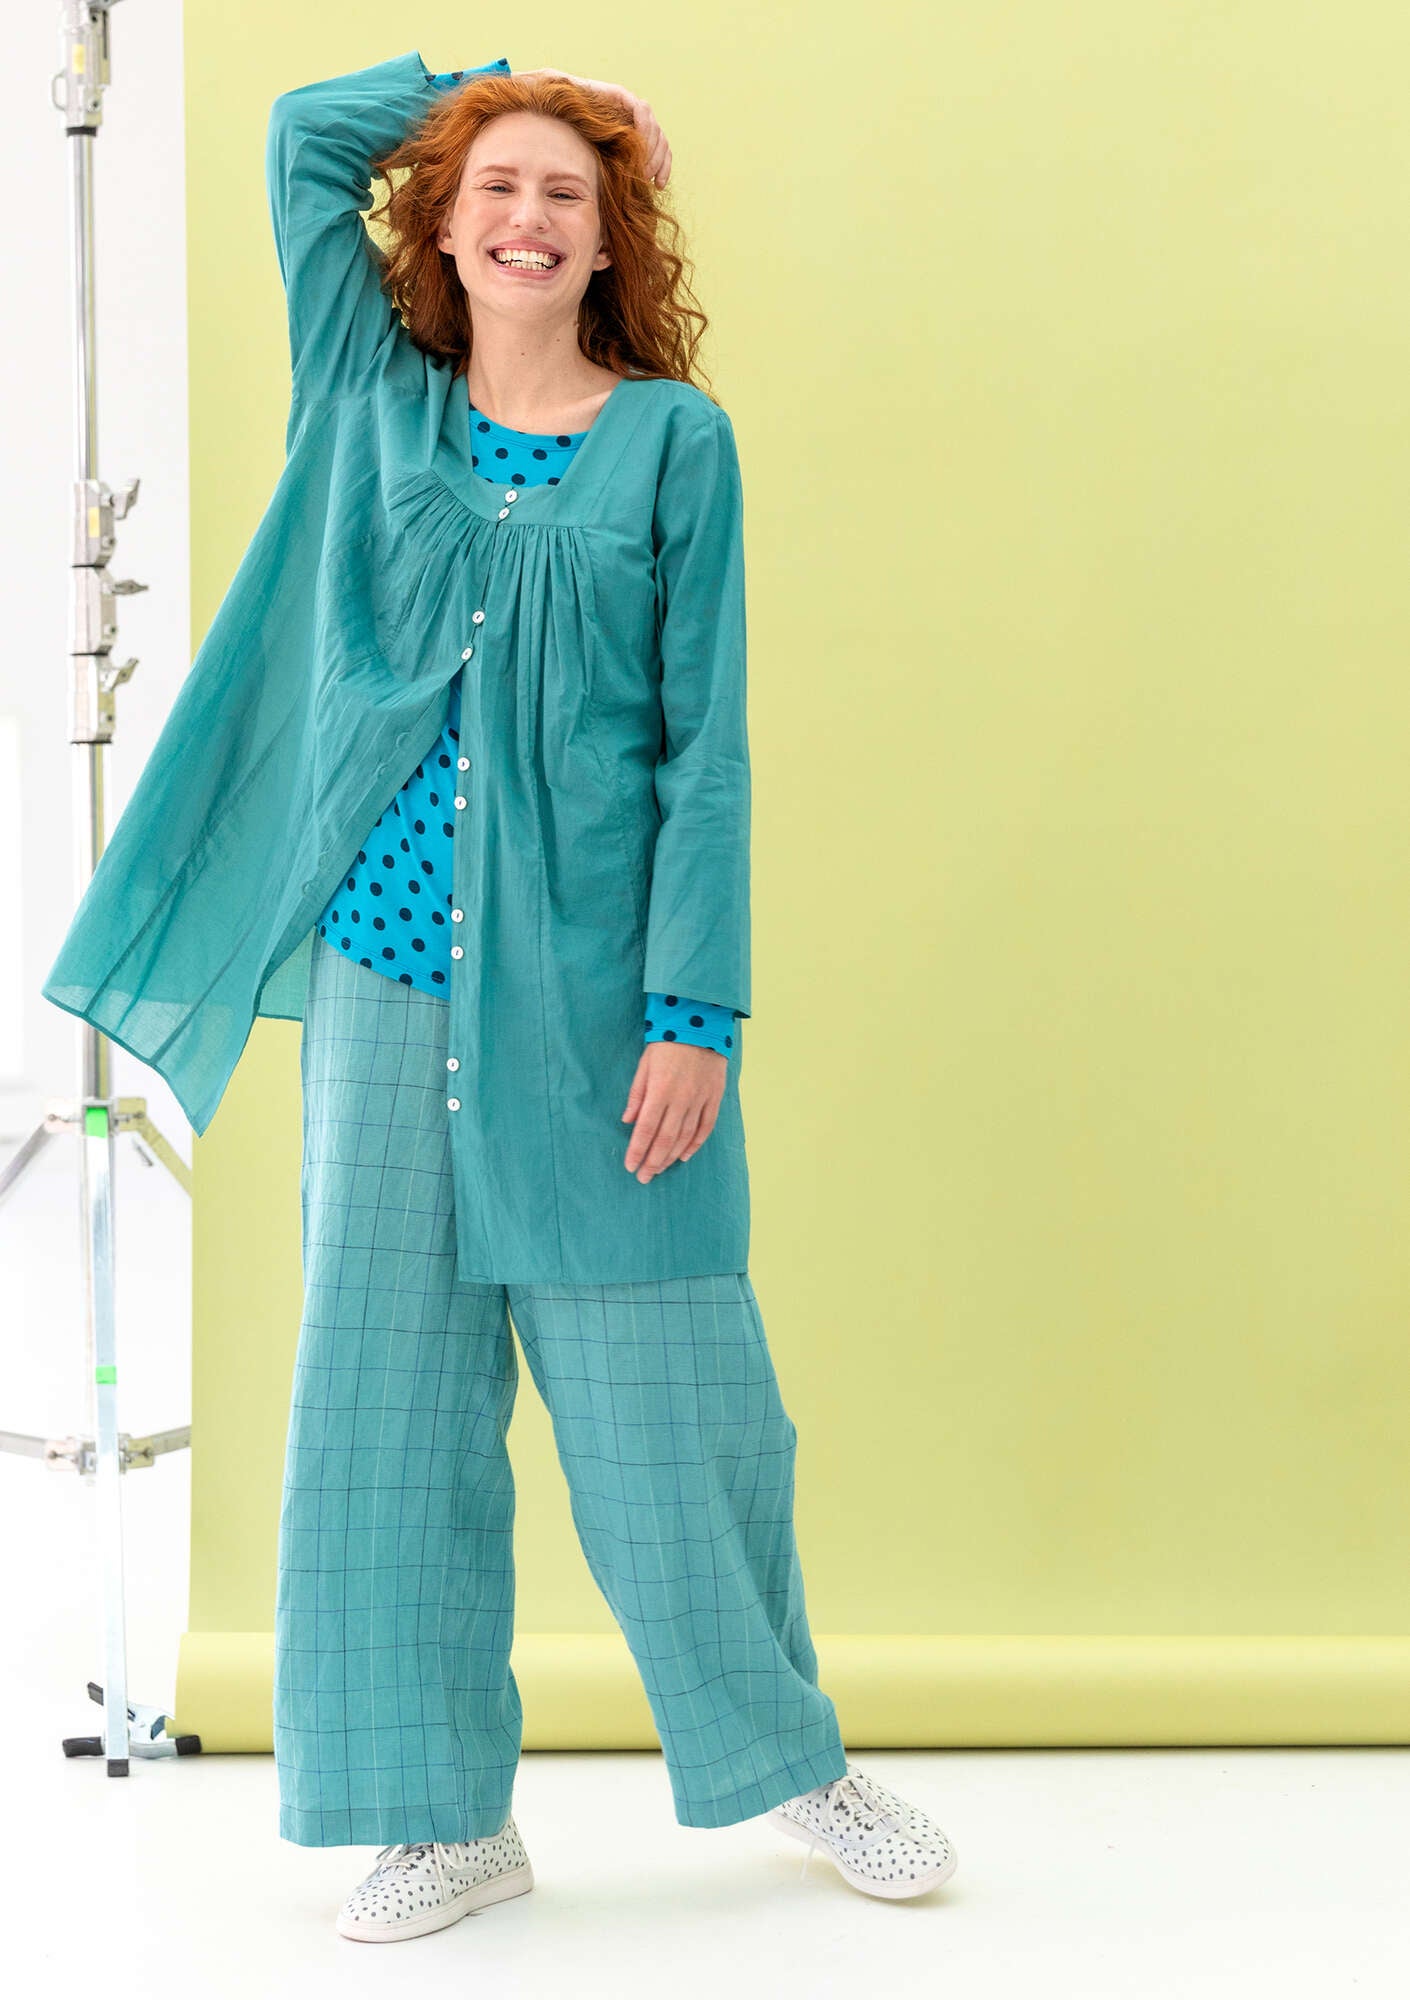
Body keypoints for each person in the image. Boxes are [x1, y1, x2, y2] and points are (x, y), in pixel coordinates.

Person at [43, 49, 958, 1942]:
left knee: (674, 1400)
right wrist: (511, 87)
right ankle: (438, 1819)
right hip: (385, 992)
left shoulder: (673, 445)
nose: (531, 217)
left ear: (610, 242)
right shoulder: (367, 398)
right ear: (445, 229)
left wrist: (695, 1012)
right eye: (498, 189)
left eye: (568, 192)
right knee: (383, 1406)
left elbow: (704, 748)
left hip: (594, 1000)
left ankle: (793, 1761)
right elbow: (302, 137)